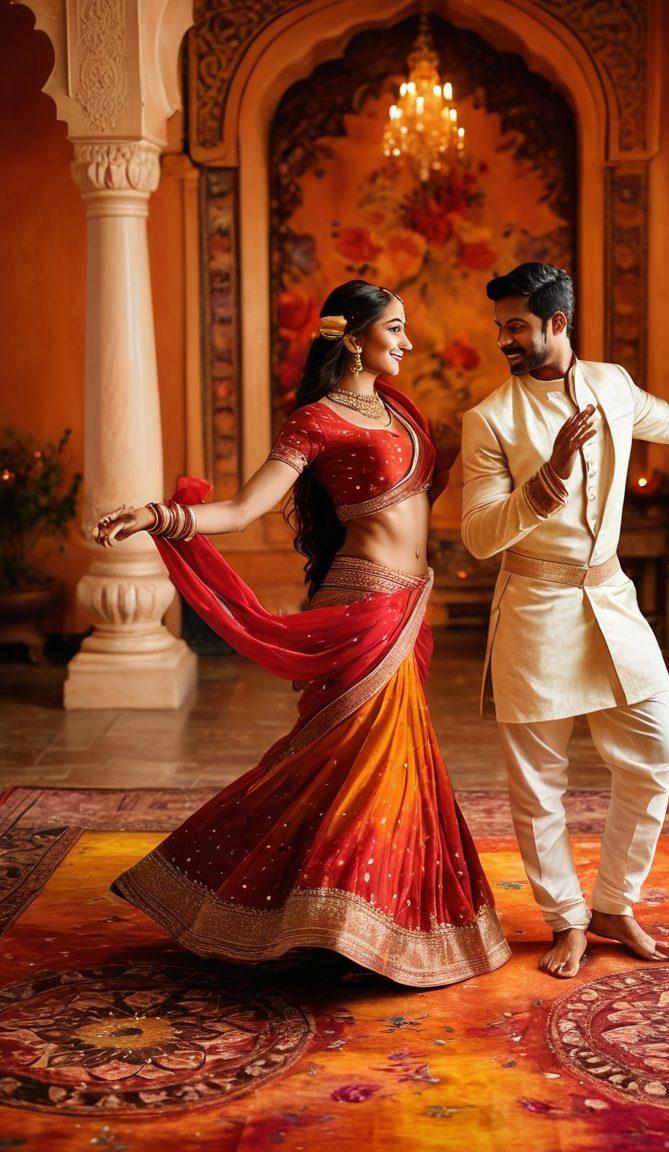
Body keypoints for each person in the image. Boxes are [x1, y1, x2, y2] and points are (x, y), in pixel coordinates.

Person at [92, 279, 510, 987]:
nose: (408, 342)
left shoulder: (400, 409)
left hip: (410, 605)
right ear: (354, 338)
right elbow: (246, 508)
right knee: (360, 764)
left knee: (368, 768)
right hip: (365, 605)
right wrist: (161, 517)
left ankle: (348, 922)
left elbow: (421, 496)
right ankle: (331, 922)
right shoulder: (316, 420)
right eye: (395, 329)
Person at [461, 262, 669, 978]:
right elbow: (480, 537)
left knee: (654, 756)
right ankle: (567, 921)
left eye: (516, 326)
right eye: (499, 327)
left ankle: (614, 903)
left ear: (556, 322)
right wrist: (544, 482)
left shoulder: (609, 383)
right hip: (534, 612)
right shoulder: (490, 419)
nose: (504, 340)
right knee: (538, 783)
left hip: (611, 604)